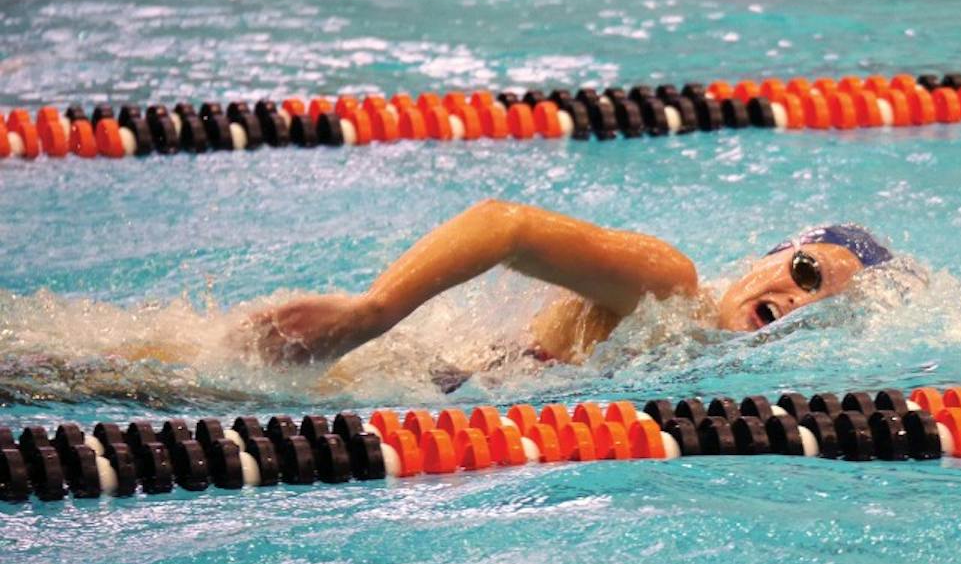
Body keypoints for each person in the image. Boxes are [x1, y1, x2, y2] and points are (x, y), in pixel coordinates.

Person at [246, 199, 894, 370]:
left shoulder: (708, 358)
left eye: (823, 309)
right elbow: (506, 227)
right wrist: (370, 314)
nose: (797, 301)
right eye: (806, 272)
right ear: (767, 257)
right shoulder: (669, 288)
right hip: (359, 370)